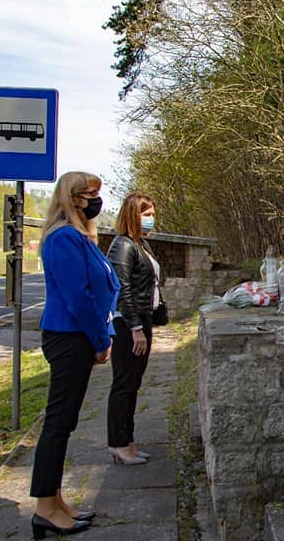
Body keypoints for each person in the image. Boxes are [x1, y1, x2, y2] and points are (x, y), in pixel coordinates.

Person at [30, 171, 119, 538]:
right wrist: (100, 339)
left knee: (64, 423)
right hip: (69, 337)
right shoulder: (63, 238)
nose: (96, 200)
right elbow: (79, 297)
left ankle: (55, 501)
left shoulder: (79, 236)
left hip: (77, 336)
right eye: (89, 193)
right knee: (57, 424)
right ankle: (45, 509)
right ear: (72, 198)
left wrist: (102, 334)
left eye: (97, 192)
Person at [105, 192, 161, 465]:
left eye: (152, 214)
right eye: (147, 214)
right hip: (129, 325)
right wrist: (135, 327)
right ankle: (118, 443)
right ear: (133, 215)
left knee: (133, 383)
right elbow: (123, 289)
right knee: (124, 384)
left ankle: (128, 441)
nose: (151, 219)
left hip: (142, 320)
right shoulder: (123, 246)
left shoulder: (140, 244)